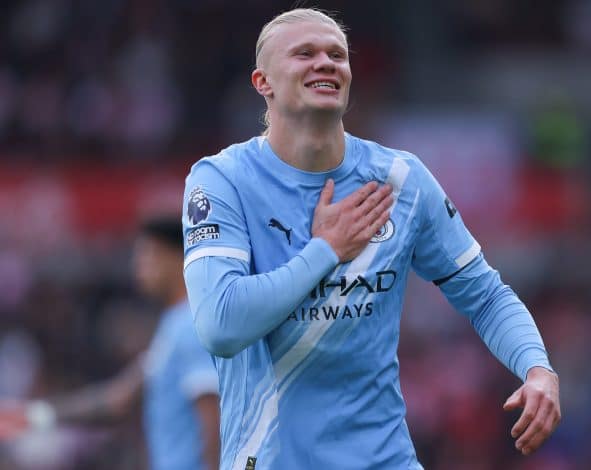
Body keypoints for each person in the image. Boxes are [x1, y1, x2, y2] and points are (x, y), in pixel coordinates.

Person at [182, 8, 560, 469]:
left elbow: (484, 294)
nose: (326, 63)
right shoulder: (223, 180)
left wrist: (537, 367)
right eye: (305, 53)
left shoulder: (400, 180)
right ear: (263, 82)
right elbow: (221, 326)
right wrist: (325, 251)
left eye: (337, 55)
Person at [1, 218, 220, 470]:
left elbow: (212, 421)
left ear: (175, 259)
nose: (138, 267)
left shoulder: (191, 327)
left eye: (146, 256)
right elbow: (117, 401)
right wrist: (29, 416)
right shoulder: (173, 326)